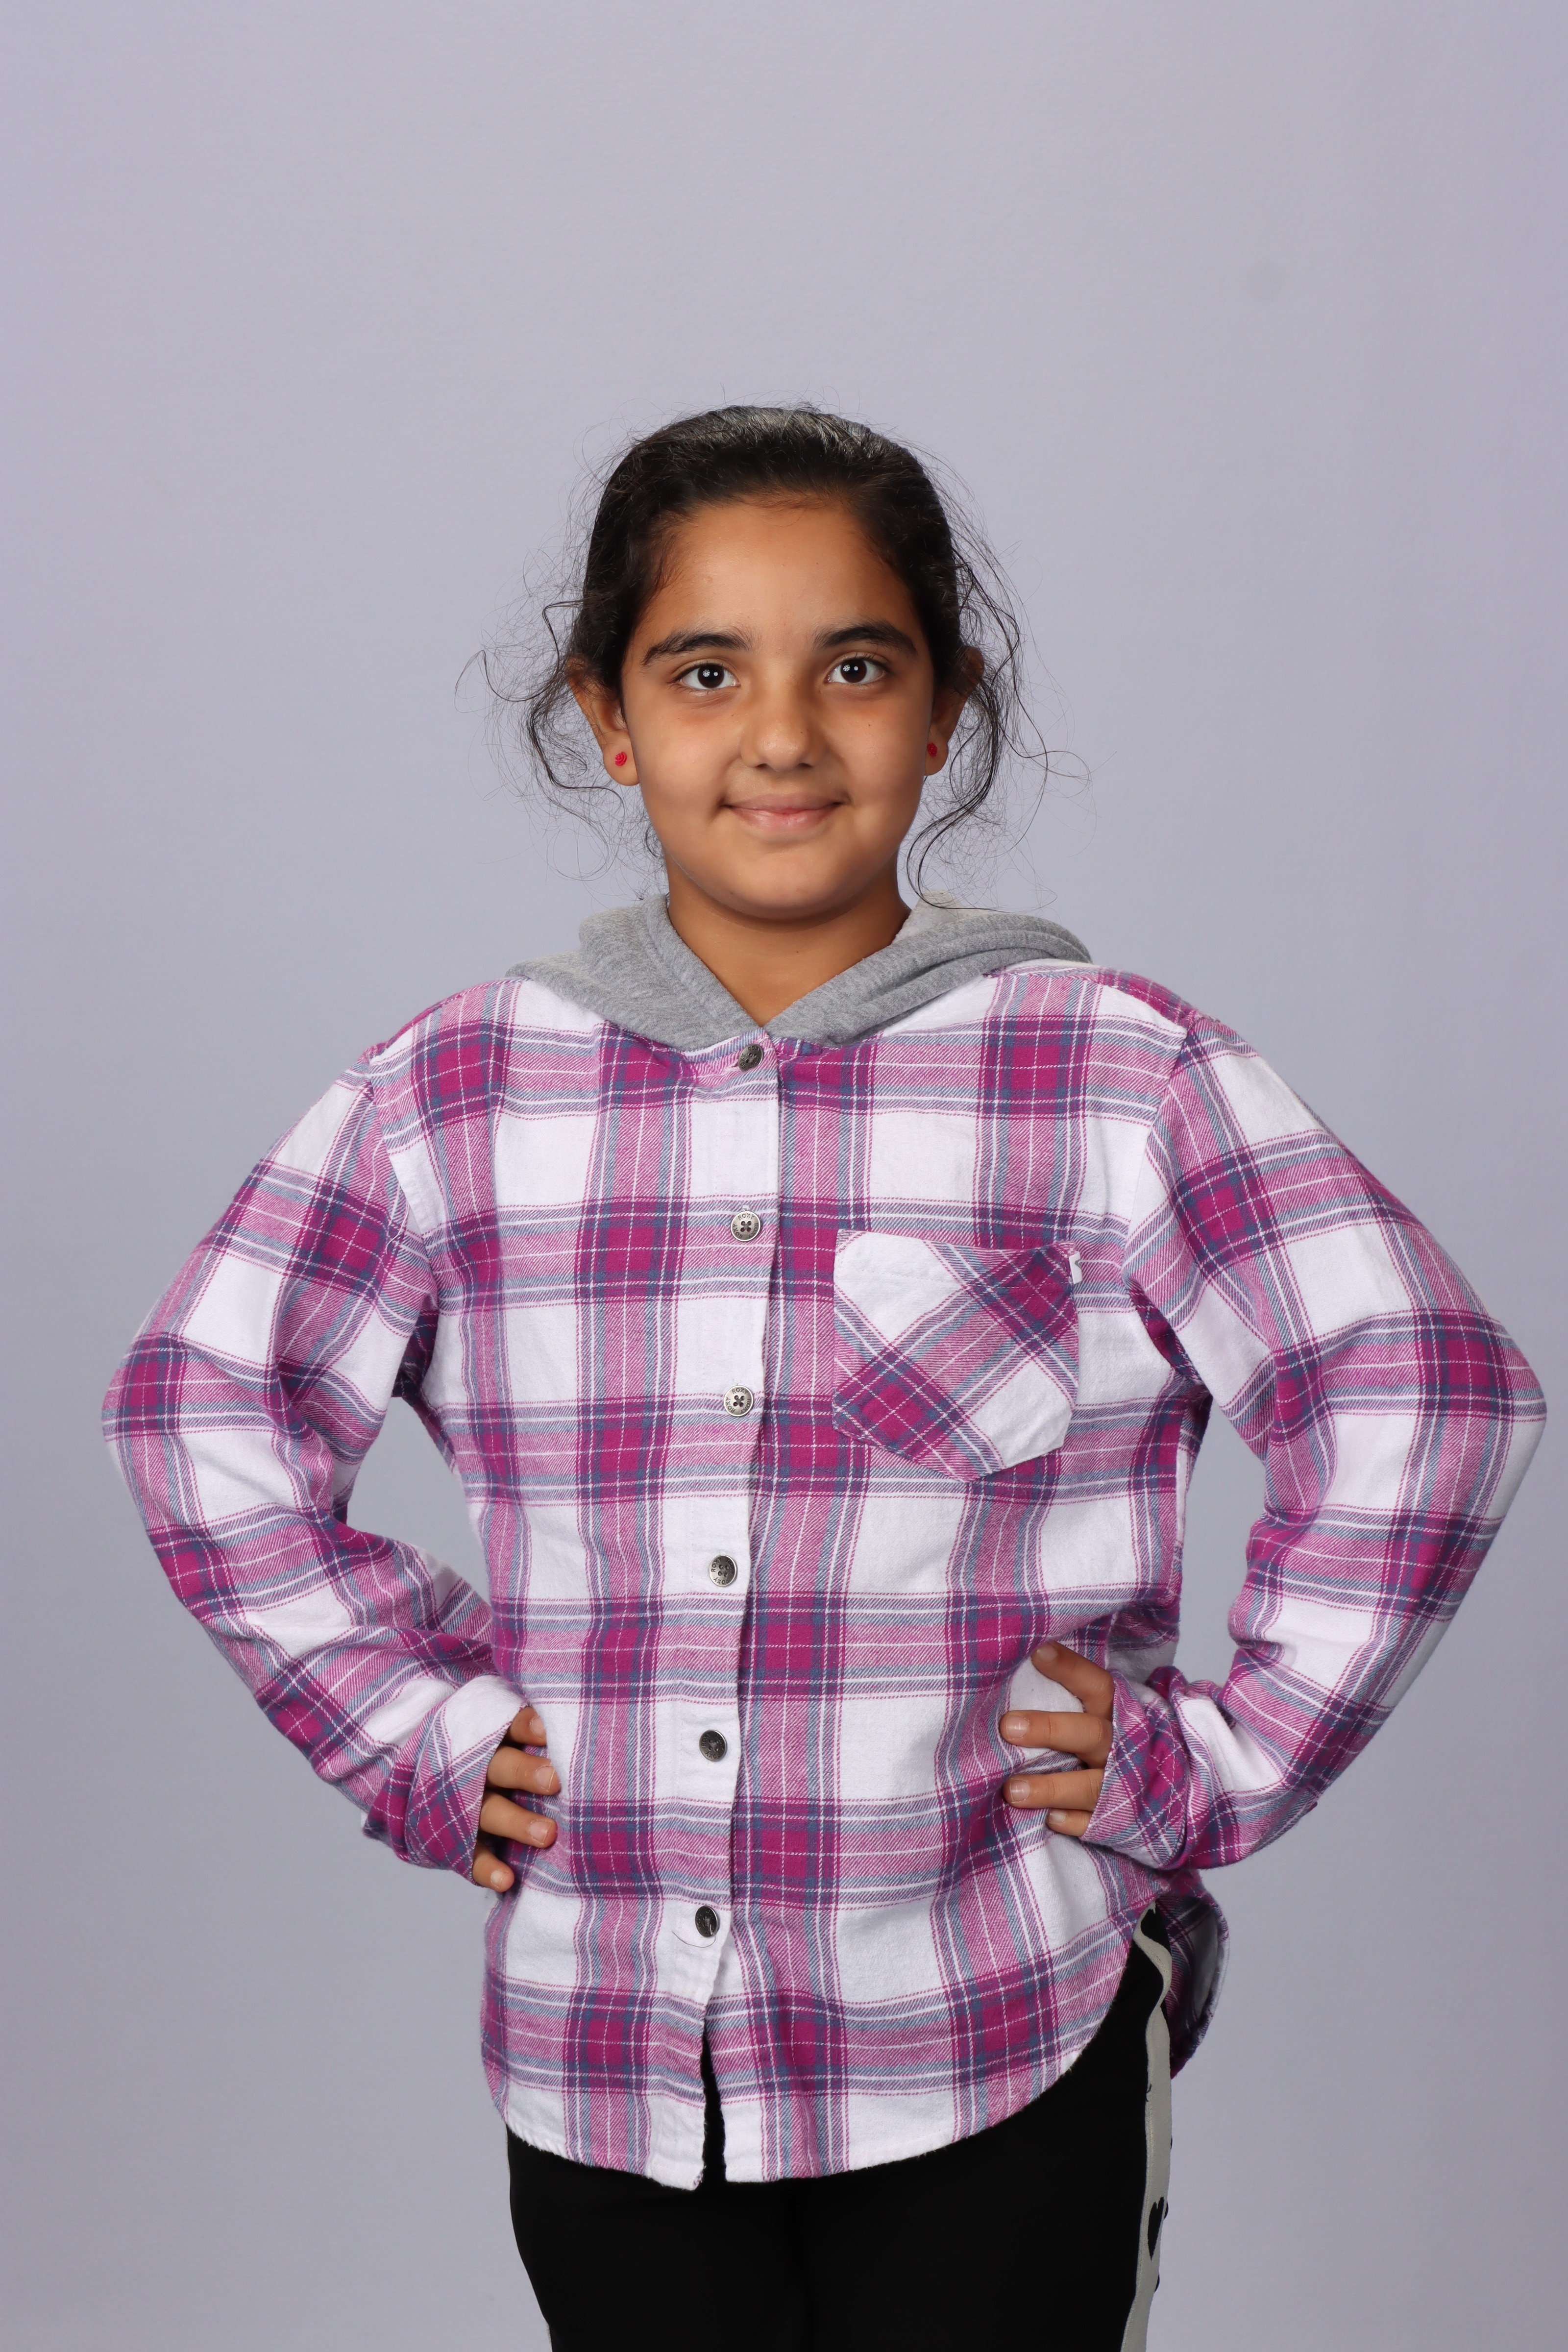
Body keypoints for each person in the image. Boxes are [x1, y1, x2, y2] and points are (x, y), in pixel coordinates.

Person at [103, 406, 1544, 2352]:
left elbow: (1422, 1392)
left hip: (996, 2024)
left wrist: (1222, 1761)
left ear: (945, 712)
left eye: (854, 667)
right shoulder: (457, 1093)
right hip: (606, 2059)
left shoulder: (1114, 1074)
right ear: (609, 720)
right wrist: (406, 1729)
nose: (780, 734)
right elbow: (201, 1408)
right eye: (705, 672)